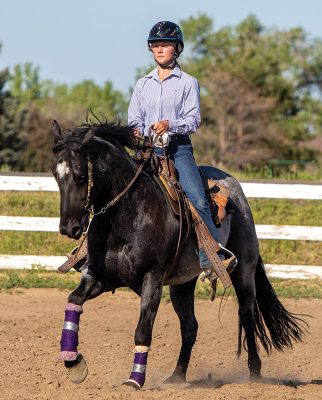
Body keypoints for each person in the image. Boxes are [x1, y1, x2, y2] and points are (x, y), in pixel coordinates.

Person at [127, 20, 237, 280]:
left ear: (177, 48)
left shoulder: (188, 82)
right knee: (119, 188)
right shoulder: (143, 84)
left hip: (178, 149)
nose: (159, 49)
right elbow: (134, 118)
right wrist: (137, 131)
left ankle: (211, 256)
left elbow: (194, 120)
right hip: (148, 150)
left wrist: (169, 124)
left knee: (196, 197)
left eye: (164, 45)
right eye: (155, 45)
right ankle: (94, 252)